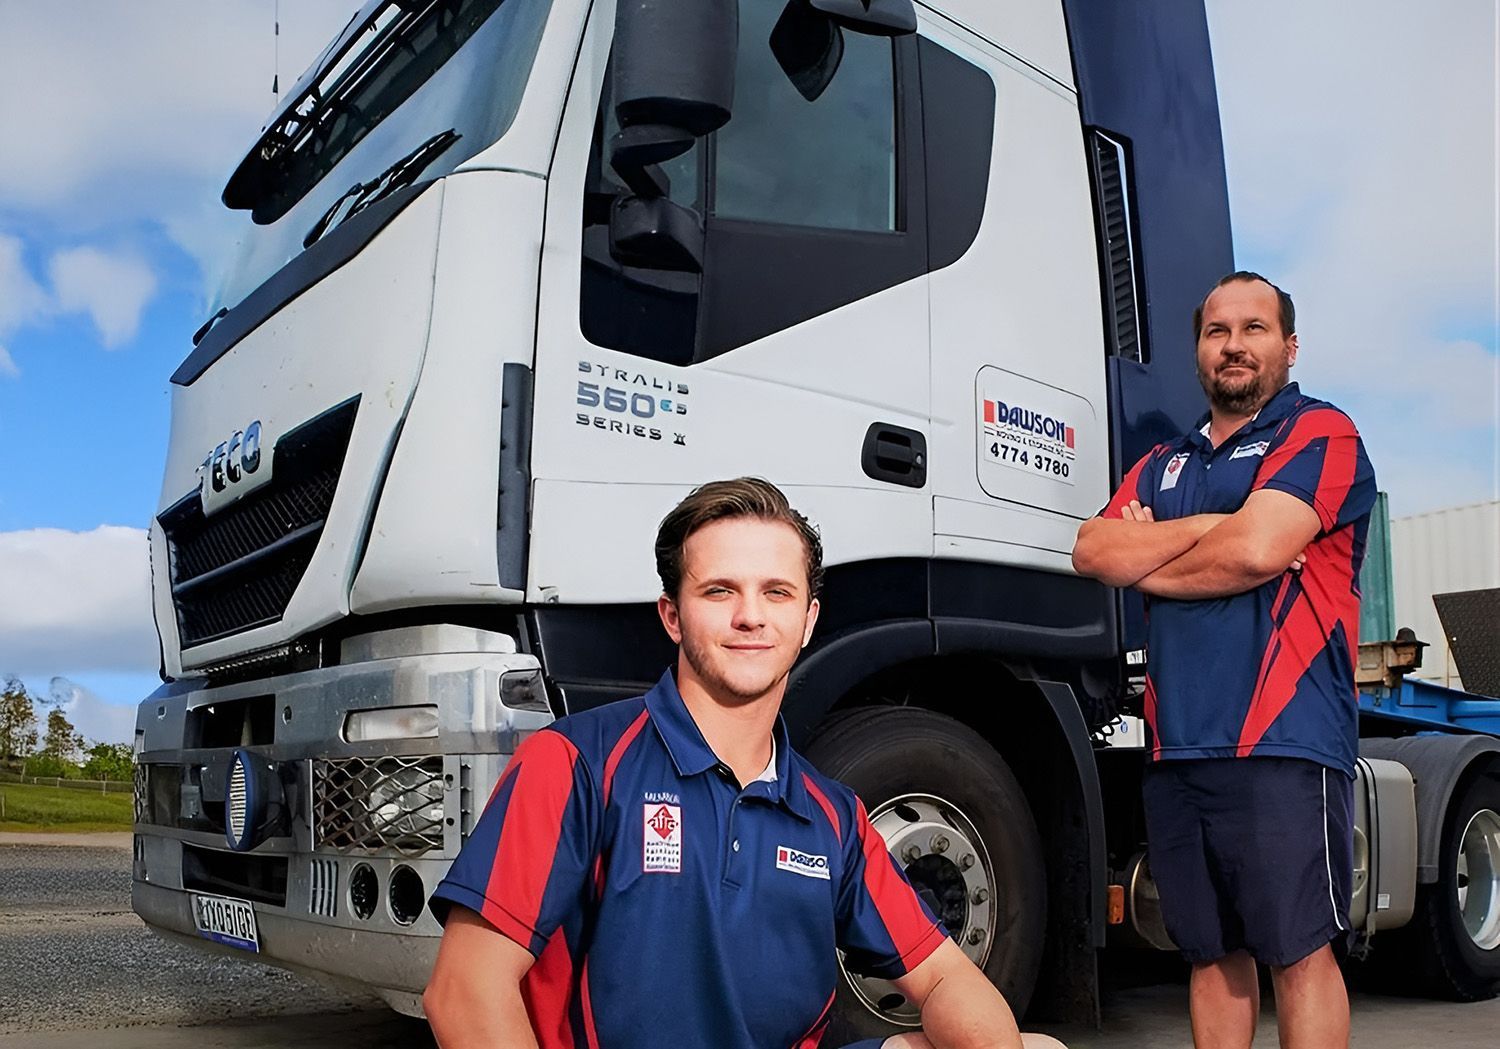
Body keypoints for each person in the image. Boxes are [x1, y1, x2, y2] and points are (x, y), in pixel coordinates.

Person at [423, 478, 1063, 1049]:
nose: (750, 617)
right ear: (673, 616)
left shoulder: (833, 817)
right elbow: (464, 994)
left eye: (776, 593)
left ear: (808, 621)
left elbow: (945, 976)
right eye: (719, 590)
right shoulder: (575, 764)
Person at [1072, 272, 1376, 1049]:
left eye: (1254, 328)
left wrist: (1151, 557)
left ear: (1289, 346)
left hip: (1284, 739)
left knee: (1299, 952)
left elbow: (1256, 549)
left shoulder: (1321, 433)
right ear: (1199, 350)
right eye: (1217, 331)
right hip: (1178, 745)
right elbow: (1093, 550)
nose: (1234, 345)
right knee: (1209, 953)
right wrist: (1216, 525)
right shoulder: (1163, 461)